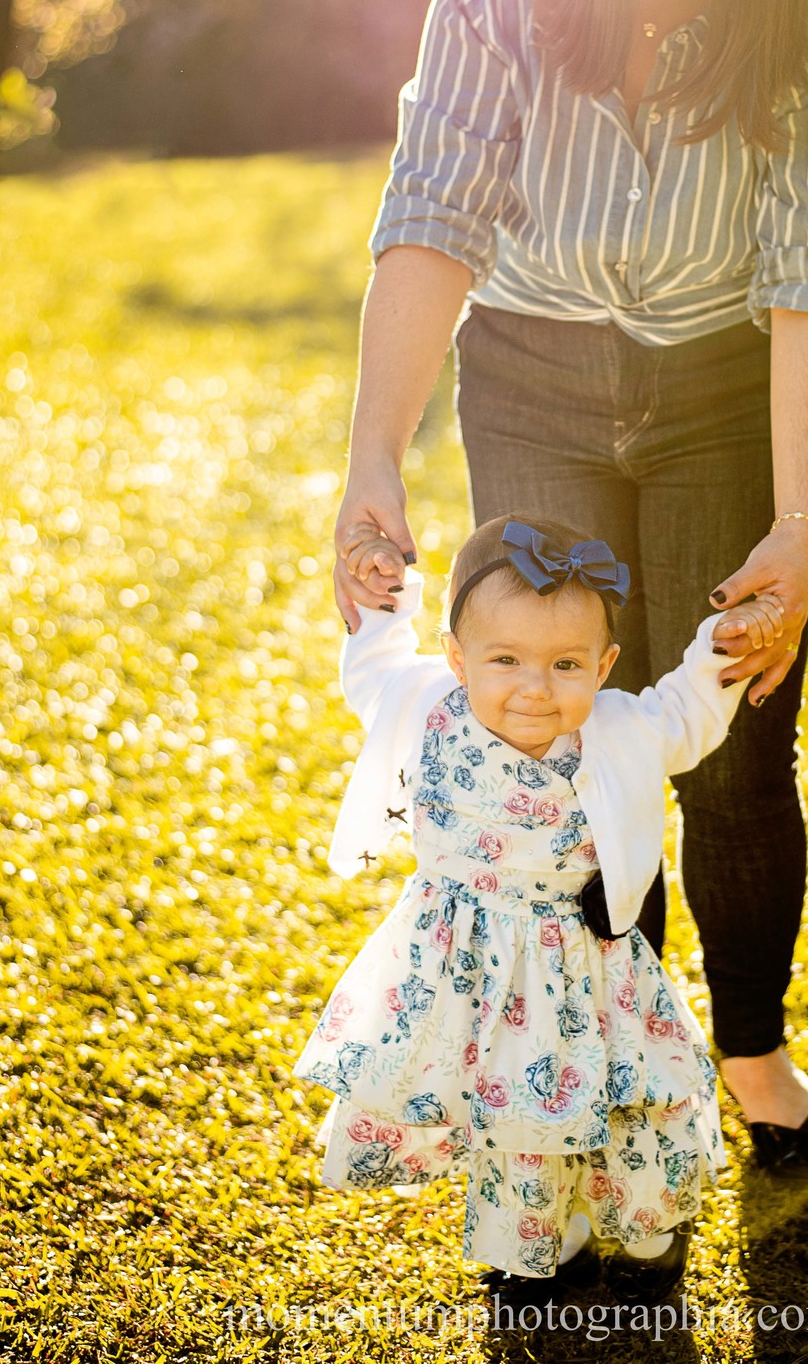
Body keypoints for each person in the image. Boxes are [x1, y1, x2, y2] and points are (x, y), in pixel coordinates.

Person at [333, 0, 808, 1175]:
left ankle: (752, 1050)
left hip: (722, 387)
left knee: (733, 742)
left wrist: (797, 524)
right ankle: (583, 1066)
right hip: (533, 368)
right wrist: (375, 451)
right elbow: (435, 207)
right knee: (564, 729)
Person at [294, 514, 775, 1306]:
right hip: (471, 969)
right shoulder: (423, 703)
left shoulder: (620, 728)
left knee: (632, 1098)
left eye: (565, 664)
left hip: (592, 970)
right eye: (505, 659)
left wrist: (718, 651)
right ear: (456, 657)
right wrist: (387, 592)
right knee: (512, 1111)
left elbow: (687, 716)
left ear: (604, 664)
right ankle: (543, 1245)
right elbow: (373, 662)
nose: (534, 687)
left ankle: (650, 1240)